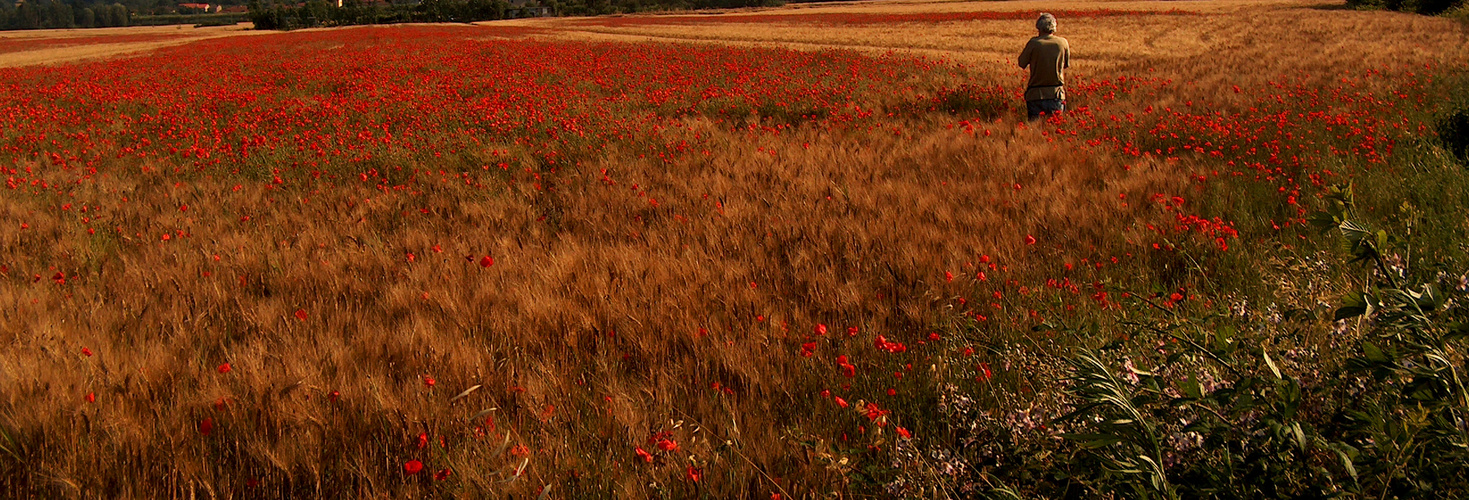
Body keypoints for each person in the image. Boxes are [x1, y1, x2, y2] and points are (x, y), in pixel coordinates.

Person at [1017, 13, 1070, 121]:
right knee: (1055, 131)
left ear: (1038, 27)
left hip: (1035, 95)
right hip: (1056, 94)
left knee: (1035, 130)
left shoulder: (1033, 43)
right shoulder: (1063, 43)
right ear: (1054, 27)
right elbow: (1066, 65)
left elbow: (1021, 63)